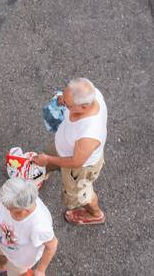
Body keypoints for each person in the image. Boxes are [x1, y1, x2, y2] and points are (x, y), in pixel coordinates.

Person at [34, 77, 108, 226]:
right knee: (44, 163)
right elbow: (67, 98)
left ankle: (94, 214)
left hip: (78, 167)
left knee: (80, 195)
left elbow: (76, 161)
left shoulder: (90, 133)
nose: (62, 102)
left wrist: (48, 159)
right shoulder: (92, 94)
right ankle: (41, 173)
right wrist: (63, 98)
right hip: (63, 148)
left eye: (67, 104)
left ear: (84, 107)